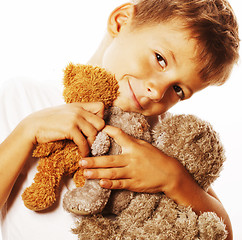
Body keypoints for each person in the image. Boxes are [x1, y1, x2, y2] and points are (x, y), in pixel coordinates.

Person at [0, 0, 239, 239]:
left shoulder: (161, 140)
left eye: (177, 89)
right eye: (160, 59)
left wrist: (173, 179)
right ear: (120, 22)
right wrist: (26, 132)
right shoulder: (23, 98)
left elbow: (223, 232)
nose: (156, 92)